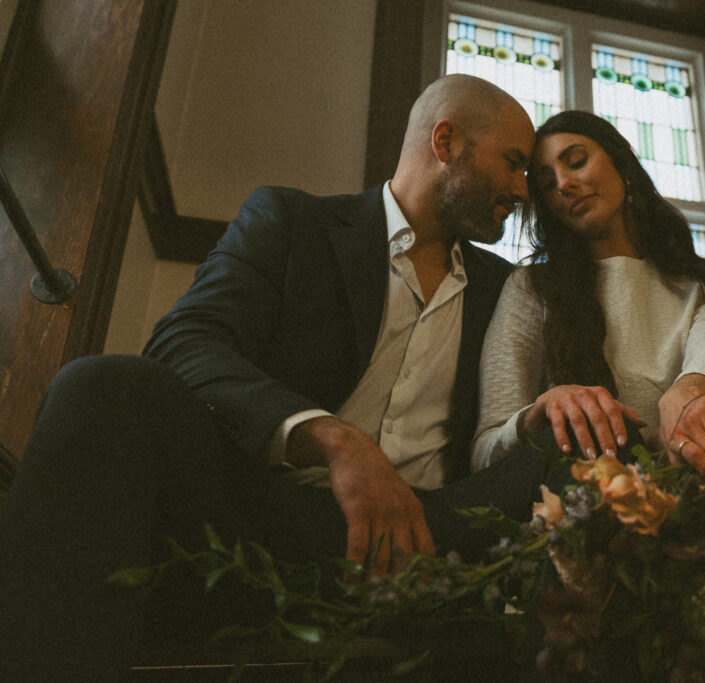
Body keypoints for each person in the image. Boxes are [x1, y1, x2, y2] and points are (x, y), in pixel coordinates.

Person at [0, 74, 564, 680]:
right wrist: (337, 440)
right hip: (264, 514)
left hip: (432, 538)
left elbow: (507, 427)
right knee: (100, 386)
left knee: (579, 440)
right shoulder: (291, 221)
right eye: (511, 163)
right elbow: (185, 341)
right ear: (446, 141)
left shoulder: (506, 289)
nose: (521, 189)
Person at [471, 111, 705, 677]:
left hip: (699, 469)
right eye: (546, 183)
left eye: (577, 161)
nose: (565, 184)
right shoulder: (530, 288)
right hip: (596, 491)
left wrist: (687, 394)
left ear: (622, 165)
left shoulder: (700, 282)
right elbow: (484, 450)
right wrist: (544, 408)